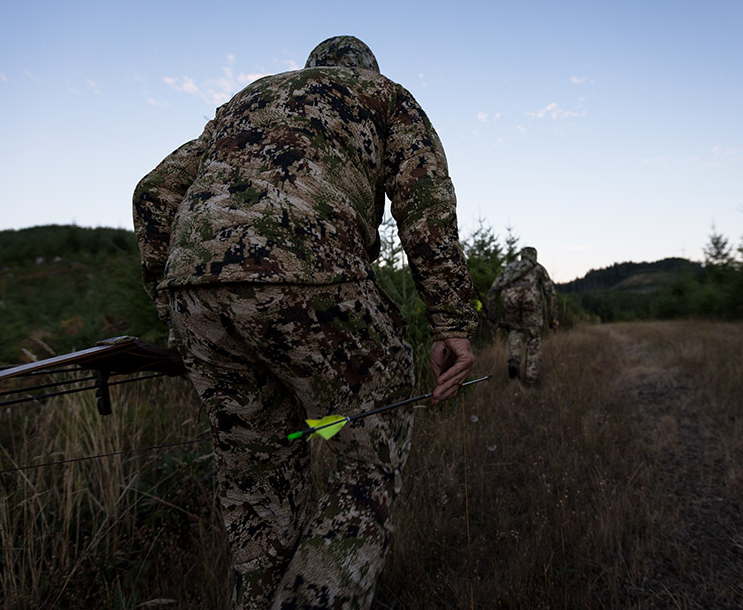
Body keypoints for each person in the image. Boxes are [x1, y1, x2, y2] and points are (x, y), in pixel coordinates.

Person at [132, 35, 478, 609]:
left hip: (195, 294)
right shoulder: (382, 95)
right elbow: (427, 206)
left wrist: (172, 308)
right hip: (311, 278)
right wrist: (450, 322)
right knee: (365, 462)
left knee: (254, 481)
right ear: (367, 69)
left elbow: (153, 193)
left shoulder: (246, 102)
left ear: (312, 67)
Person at [487, 247, 557, 387]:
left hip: (510, 301)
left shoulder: (509, 268)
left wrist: (493, 315)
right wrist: (552, 319)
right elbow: (550, 294)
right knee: (533, 338)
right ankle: (530, 380)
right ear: (534, 256)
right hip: (530, 302)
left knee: (515, 330)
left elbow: (493, 290)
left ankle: (514, 360)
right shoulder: (538, 269)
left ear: (522, 256)